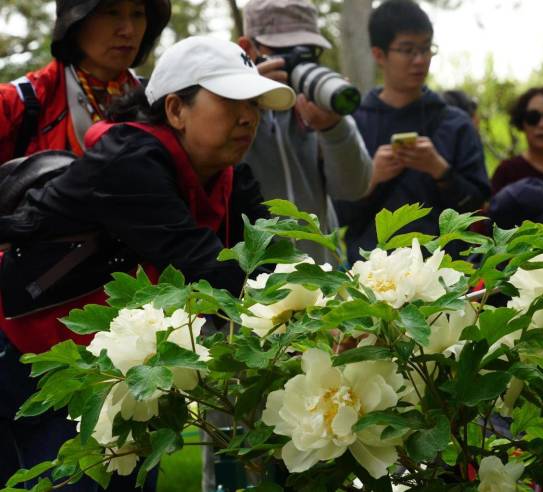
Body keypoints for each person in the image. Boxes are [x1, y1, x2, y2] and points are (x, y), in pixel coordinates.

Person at [0, 36, 295, 489]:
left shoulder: (229, 174)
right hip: (22, 354)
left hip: (107, 367)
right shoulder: (127, 162)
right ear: (175, 109)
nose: (249, 117)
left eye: (254, 102)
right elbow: (207, 268)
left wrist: (330, 307)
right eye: (231, 100)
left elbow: (277, 258)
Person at [334, 0, 489, 263]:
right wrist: (371, 179)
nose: (420, 60)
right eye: (407, 50)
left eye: (426, 48)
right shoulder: (353, 124)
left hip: (444, 273)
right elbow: (334, 216)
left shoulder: (455, 123)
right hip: (372, 276)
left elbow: (477, 208)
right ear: (379, 55)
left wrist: (441, 171)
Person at [236, 0, 372, 265]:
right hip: (252, 286)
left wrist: (333, 127)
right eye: (284, 51)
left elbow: (354, 188)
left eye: (308, 51)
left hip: (322, 280)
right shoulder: (228, 108)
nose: (296, 62)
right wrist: (246, 105)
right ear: (247, 49)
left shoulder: (319, 101)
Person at [0, 0, 171, 163]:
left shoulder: (163, 104)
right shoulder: (12, 105)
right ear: (76, 21)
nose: (129, 30)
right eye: (112, 12)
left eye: (137, 13)